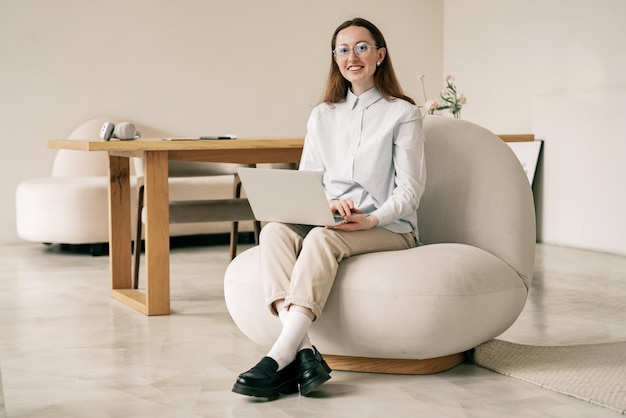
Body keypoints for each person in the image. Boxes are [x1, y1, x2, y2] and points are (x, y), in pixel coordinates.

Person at [232, 17, 426, 401]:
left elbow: (411, 191)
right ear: (334, 58)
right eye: (342, 49)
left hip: (390, 226)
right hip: (329, 218)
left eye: (361, 47)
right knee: (272, 231)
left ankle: (278, 357)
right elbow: (308, 182)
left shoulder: (402, 113)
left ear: (380, 55)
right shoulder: (322, 115)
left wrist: (370, 218)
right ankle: (303, 352)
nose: (351, 56)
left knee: (321, 239)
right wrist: (326, 203)